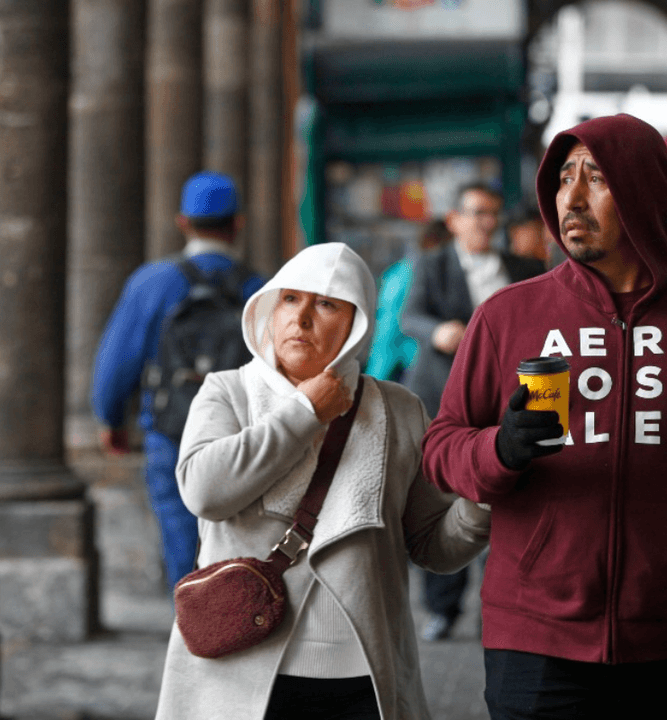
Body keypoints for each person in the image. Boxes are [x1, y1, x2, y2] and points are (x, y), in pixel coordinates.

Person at [422, 114, 667, 719]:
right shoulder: (507, 314)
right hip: (533, 636)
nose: (572, 198)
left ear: (644, 191)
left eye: (596, 178)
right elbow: (441, 447)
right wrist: (500, 450)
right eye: (564, 178)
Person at [154, 242, 491, 720]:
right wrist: (305, 413)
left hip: (361, 679)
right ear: (269, 310)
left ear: (356, 325)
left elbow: (432, 546)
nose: (302, 317)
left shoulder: (398, 410)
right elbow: (205, 493)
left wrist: (483, 499)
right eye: (290, 299)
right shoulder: (228, 392)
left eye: (327, 304)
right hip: (241, 675)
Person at [92, 171, 264, 588]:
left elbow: (117, 363)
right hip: (243, 436)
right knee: (243, 544)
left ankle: (191, 620)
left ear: (183, 222)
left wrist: (112, 420)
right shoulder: (260, 288)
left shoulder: (152, 282)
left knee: (181, 540)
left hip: (172, 432)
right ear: (238, 223)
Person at [401, 182, 546, 641]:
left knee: (503, 499)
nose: (487, 222)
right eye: (478, 212)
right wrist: (437, 331)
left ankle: (500, 602)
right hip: (444, 395)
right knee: (442, 499)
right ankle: (442, 608)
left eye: (493, 213)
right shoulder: (432, 263)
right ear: (455, 220)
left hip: (506, 403)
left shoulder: (523, 268)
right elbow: (408, 316)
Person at [365, 219, 452, 383]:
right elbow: (388, 334)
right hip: (411, 368)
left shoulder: (401, 271)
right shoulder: (409, 275)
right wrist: (372, 383)